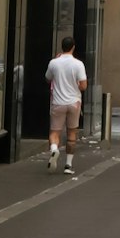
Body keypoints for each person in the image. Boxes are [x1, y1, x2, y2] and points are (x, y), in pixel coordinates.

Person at [45, 36, 87, 174]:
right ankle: (68, 165)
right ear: (73, 47)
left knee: (54, 132)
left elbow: (47, 78)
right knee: (71, 134)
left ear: (61, 47)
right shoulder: (78, 64)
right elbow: (83, 86)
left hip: (58, 102)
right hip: (74, 103)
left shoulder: (53, 63)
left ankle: (54, 150)